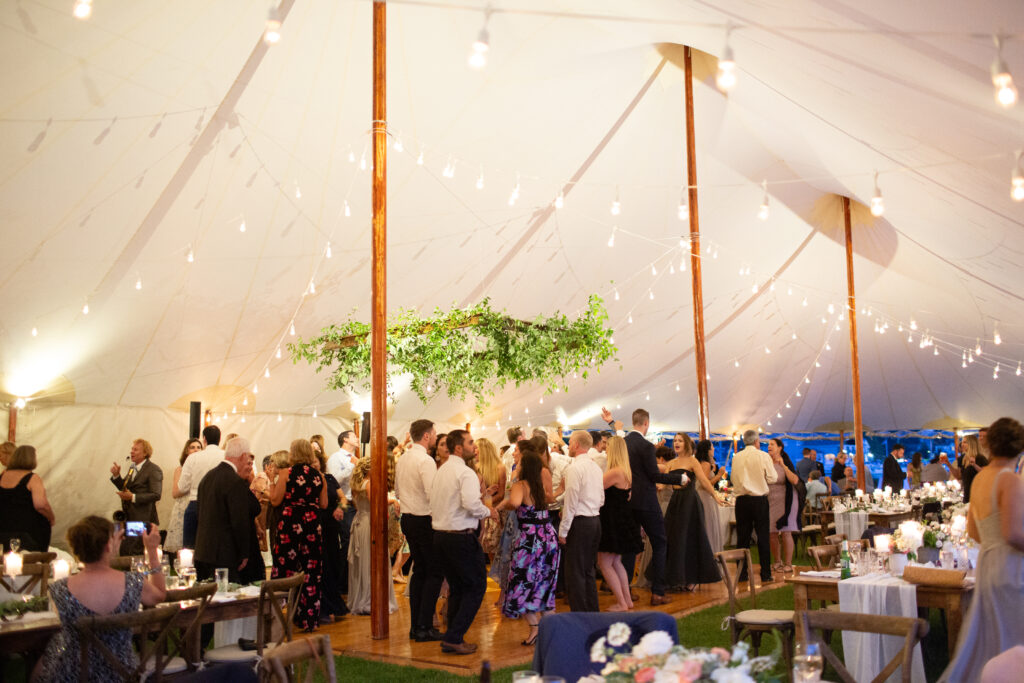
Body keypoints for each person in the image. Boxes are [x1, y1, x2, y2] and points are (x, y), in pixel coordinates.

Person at [939, 418, 1024, 683]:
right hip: (1011, 567)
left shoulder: (981, 478)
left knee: (992, 635)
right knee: (1013, 634)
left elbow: (974, 532)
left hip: (988, 562)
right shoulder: (1009, 478)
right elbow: (1012, 533)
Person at [36, 516, 165, 683]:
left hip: (72, 673)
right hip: (121, 673)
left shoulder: (58, 588)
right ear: (107, 546)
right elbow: (159, 595)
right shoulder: (132, 582)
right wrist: (152, 551)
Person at [604, 407, 688, 605]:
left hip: (628, 501)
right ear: (646, 423)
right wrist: (680, 478)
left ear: (634, 422)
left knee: (630, 547)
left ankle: (628, 591)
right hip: (647, 502)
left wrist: (611, 422)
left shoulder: (623, 443)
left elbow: (618, 435)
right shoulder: (647, 446)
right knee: (660, 543)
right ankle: (657, 592)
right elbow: (654, 476)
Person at [430, 430, 497, 655]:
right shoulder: (465, 473)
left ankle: (453, 636)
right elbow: (471, 504)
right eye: (470, 443)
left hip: (440, 536)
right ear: (458, 448)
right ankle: (455, 636)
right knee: (477, 586)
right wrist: (489, 510)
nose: (474, 447)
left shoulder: (441, 471)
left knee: (459, 587)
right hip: (460, 536)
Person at [498, 443, 560, 646]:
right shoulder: (540, 487)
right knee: (544, 582)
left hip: (530, 539)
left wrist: (503, 505)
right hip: (548, 536)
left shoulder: (521, 485)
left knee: (522, 582)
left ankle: (535, 629)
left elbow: (515, 503)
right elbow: (551, 500)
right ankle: (550, 630)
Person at [270, 438, 327, 631]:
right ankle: (308, 619)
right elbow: (324, 504)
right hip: (312, 523)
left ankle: (276, 615)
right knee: (311, 571)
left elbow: (276, 500)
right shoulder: (319, 476)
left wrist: (271, 482)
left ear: (293, 453)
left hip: (291, 523)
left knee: (284, 567)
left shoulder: (286, 473)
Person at [395, 419, 443, 641]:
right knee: (433, 572)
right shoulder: (425, 460)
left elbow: (397, 490)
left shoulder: (403, 458)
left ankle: (417, 626)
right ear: (426, 436)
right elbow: (433, 493)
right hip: (424, 519)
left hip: (407, 518)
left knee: (420, 572)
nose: (435, 437)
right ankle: (424, 625)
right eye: (433, 434)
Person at [194, 437, 262, 584]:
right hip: (224, 555)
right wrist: (244, 553)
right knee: (226, 602)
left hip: (203, 551)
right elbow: (239, 521)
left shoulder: (208, 477)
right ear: (243, 456)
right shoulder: (234, 481)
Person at [662, 433, 722, 590]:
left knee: (689, 538)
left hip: (690, 501)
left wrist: (715, 495)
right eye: (675, 440)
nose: (676, 443)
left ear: (686, 444)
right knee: (674, 538)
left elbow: (703, 480)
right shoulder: (671, 463)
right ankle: (675, 578)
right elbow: (662, 484)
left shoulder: (692, 461)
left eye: (680, 440)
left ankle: (691, 578)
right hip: (676, 501)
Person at [558, 431, 604, 612]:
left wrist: (563, 531)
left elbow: (572, 501)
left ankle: (579, 614)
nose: (568, 446)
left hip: (580, 523)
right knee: (588, 570)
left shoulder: (574, 468)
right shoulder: (596, 468)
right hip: (595, 521)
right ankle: (592, 611)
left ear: (576, 445)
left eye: (570, 443)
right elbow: (601, 499)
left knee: (575, 572)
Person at [346, 456, 398, 615]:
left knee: (364, 561)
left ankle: (363, 597)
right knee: (372, 561)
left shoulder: (357, 485)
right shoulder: (369, 484)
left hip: (360, 521)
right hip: (369, 523)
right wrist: (394, 501)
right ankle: (371, 601)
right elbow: (376, 504)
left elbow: (359, 504)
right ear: (369, 469)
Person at [596, 436, 641, 611]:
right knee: (616, 562)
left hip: (612, 520)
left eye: (607, 447)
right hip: (621, 518)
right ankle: (626, 600)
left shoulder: (615, 472)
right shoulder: (626, 471)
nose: (605, 450)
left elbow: (595, 488)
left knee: (605, 563)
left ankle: (622, 602)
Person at [731, 430, 777, 584]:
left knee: (742, 538)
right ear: (757, 441)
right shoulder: (763, 456)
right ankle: (765, 574)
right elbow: (773, 478)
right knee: (763, 536)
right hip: (759, 500)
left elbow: (733, 478)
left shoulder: (736, 457)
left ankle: (742, 574)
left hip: (741, 501)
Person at [312, 450, 349, 623]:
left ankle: (334, 605)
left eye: (316, 462)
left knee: (334, 563)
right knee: (322, 566)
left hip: (332, 525)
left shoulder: (330, 478)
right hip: (316, 525)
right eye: (310, 463)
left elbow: (343, 499)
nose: (314, 465)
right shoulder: (308, 480)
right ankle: (322, 607)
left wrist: (340, 508)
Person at [109, 438, 163, 556]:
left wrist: (132, 497)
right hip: (129, 517)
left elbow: (156, 494)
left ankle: (136, 575)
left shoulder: (153, 470)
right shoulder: (132, 468)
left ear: (145, 453)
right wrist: (117, 476)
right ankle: (128, 575)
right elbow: (125, 489)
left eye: (135, 449)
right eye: (132, 449)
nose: (132, 452)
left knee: (135, 553)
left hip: (143, 518)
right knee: (126, 551)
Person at [177, 425, 225, 549]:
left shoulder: (193, 458)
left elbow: (182, 487)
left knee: (190, 547)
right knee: (216, 545)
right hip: (219, 505)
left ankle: (190, 568)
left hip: (195, 503)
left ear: (204, 439)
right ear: (219, 439)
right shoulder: (226, 456)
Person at [0, 445, 55, 551]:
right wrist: (51, 517)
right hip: (26, 534)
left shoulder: (2, 476)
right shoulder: (33, 478)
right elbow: (40, 505)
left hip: (2, 531)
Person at [327, 430, 359, 592]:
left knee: (354, 542)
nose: (357, 438)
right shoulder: (336, 458)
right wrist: (351, 466)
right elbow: (333, 481)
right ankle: (341, 582)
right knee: (347, 540)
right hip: (342, 504)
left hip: (356, 504)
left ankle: (351, 580)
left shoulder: (357, 459)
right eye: (354, 436)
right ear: (345, 439)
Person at [766, 438, 800, 574]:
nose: (769, 446)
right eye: (768, 444)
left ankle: (788, 563)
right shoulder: (766, 462)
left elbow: (795, 480)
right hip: (770, 500)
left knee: (786, 531)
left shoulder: (785, 461)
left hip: (787, 500)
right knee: (771, 532)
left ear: (780, 447)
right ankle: (777, 561)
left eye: (772, 444)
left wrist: (783, 466)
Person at [165, 438, 202, 556]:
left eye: (198, 447)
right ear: (187, 451)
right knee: (182, 545)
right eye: (192, 447)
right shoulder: (180, 469)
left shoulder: (203, 468)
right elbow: (175, 492)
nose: (196, 450)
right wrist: (191, 483)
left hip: (198, 507)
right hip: (183, 507)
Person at [476, 437, 507, 559]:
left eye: (477, 449)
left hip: (495, 510)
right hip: (480, 509)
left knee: (494, 548)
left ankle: (495, 576)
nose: (474, 451)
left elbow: (501, 493)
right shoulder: (475, 467)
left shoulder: (499, 468)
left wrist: (486, 504)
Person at [695, 439, 725, 554]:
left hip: (701, 496)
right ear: (707, 450)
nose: (714, 449)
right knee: (708, 523)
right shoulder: (706, 464)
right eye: (712, 447)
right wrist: (719, 475)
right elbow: (705, 485)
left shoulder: (700, 462)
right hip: (705, 497)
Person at [959, 434, 988, 504]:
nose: (962, 444)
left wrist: (974, 465)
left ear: (972, 444)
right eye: (962, 442)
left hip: (977, 496)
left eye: (965, 442)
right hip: (967, 495)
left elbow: (986, 475)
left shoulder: (980, 458)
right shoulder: (964, 459)